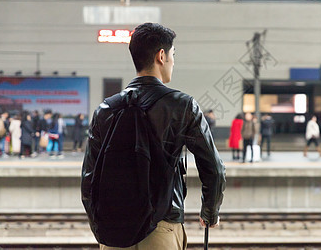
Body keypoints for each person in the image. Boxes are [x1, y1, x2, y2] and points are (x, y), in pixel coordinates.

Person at [81, 22, 226, 250]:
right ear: (161, 56)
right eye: (173, 55)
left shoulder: (105, 109)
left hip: (114, 233)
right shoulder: (183, 105)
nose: (173, 62)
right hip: (162, 227)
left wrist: (101, 227)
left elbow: (88, 179)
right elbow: (214, 168)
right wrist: (210, 213)